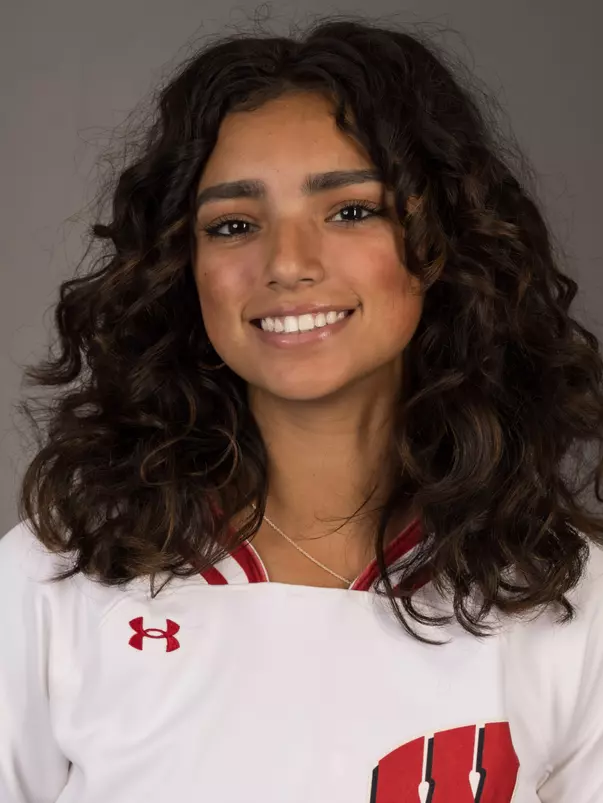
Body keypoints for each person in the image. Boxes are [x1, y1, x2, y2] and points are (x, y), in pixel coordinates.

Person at [1, 14, 602, 803]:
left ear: (441, 241)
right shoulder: (56, 576)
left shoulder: (569, 597)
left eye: (350, 210)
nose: (287, 263)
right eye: (234, 225)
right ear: (186, 269)